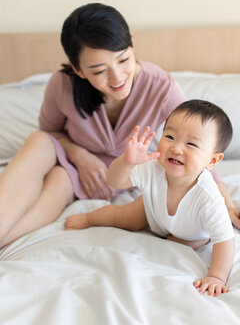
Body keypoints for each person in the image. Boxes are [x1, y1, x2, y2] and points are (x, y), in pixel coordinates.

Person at [0, 3, 238, 249]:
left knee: (59, 179)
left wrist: (226, 204)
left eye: (123, 59)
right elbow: (50, 131)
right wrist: (80, 156)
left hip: (97, 177)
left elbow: (199, 147)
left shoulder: (160, 87)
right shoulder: (62, 84)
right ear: (78, 69)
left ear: (132, 44)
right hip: (69, 158)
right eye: (99, 70)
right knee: (38, 140)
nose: (117, 78)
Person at [65, 99, 235, 297]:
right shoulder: (154, 167)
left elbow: (224, 240)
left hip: (190, 233)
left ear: (212, 160)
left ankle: (176, 238)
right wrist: (127, 162)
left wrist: (216, 276)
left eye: (191, 143)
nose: (177, 148)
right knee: (121, 216)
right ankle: (89, 218)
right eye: (170, 136)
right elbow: (115, 181)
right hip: (152, 211)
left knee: (184, 243)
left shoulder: (208, 197)